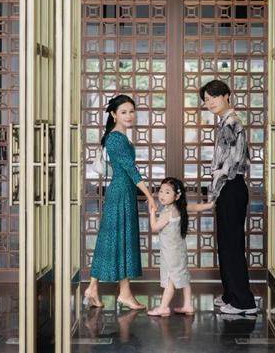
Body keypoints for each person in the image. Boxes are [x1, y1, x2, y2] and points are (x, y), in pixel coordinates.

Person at [83, 95, 157, 310]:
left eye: (131, 111)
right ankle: (120, 292)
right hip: (120, 193)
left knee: (113, 239)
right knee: (118, 239)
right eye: (123, 112)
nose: (129, 115)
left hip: (122, 192)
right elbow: (131, 170)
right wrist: (149, 195)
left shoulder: (119, 137)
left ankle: (99, 288)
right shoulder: (116, 139)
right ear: (114, 114)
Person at [200, 80, 257, 315]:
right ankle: (231, 294)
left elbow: (229, 164)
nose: (210, 102)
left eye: (214, 96)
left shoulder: (231, 122)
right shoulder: (227, 122)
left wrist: (214, 192)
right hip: (229, 187)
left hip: (230, 186)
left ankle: (244, 302)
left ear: (226, 96)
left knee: (231, 245)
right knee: (226, 243)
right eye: (206, 99)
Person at [147, 177, 213, 317]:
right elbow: (195, 207)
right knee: (183, 276)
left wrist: (152, 212)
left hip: (171, 254)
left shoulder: (168, 213)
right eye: (161, 191)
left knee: (170, 280)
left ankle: (163, 307)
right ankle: (188, 305)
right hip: (179, 251)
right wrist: (210, 205)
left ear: (176, 196)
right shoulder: (179, 208)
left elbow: (154, 227)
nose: (162, 195)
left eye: (167, 192)